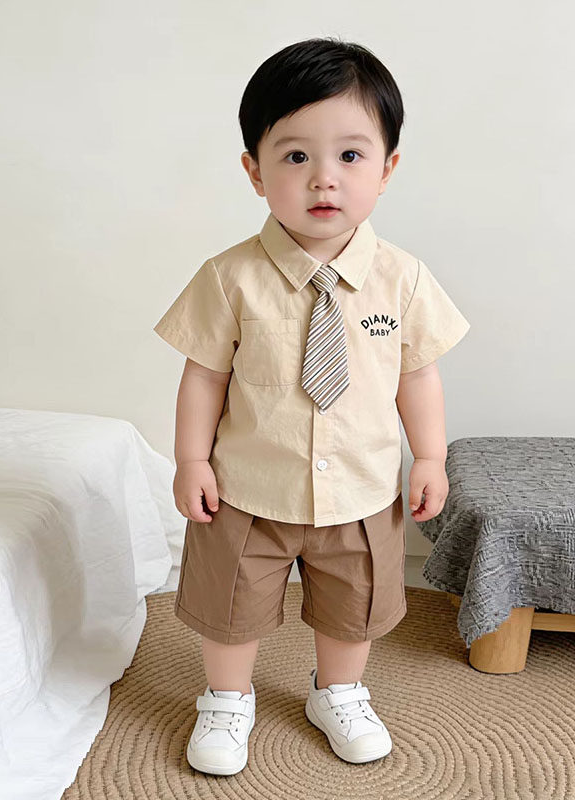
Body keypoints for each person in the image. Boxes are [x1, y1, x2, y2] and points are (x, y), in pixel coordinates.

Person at [153, 37, 470, 775]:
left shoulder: (402, 278)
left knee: (353, 604)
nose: (324, 178)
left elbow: (417, 375)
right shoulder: (229, 276)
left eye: (350, 156)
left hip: (360, 487)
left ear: (387, 169)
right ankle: (226, 698)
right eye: (295, 156)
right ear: (254, 171)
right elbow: (203, 377)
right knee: (230, 603)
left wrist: (430, 455)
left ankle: (340, 691)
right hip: (247, 488)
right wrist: (191, 459)